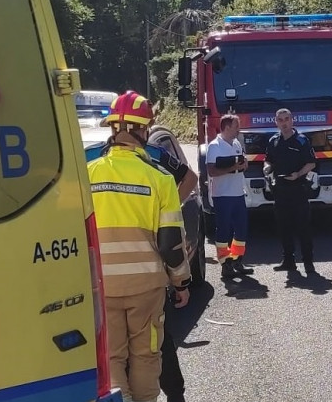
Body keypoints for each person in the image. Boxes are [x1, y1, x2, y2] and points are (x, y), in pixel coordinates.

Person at [87, 91, 191, 402]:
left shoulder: (87, 175)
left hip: (102, 285)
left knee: (112, 357)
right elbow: (171, 243)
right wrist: (181, 282)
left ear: (113, 130)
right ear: (142, 130)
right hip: (146, 285)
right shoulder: (159, 179)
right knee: (146, 355)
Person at [264, 108, 319, 274]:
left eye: (286, 119)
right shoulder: (273, 141)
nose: (284, 123)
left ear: (292, 120)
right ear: (276, 122)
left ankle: (308, 262)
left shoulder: (302, 141)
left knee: (303, 227)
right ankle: (288, 261)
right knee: (283, 227)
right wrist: (267, 169)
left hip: (298, 189)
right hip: (280, 189)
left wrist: (298, 174)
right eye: (280, 120)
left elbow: (311, 163)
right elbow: (268, 161)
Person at [205, 114, 253, 278]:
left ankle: (237, 260)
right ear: (226, 127)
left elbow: (242, 163)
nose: (238, 130)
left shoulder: (237, 143)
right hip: (222, 195)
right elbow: (211, 171)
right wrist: (232, 167)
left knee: (241, 230)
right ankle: (225, 263)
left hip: (238, 193)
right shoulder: (214, 146)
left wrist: (243, 165)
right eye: (236, 126)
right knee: (224, 230)